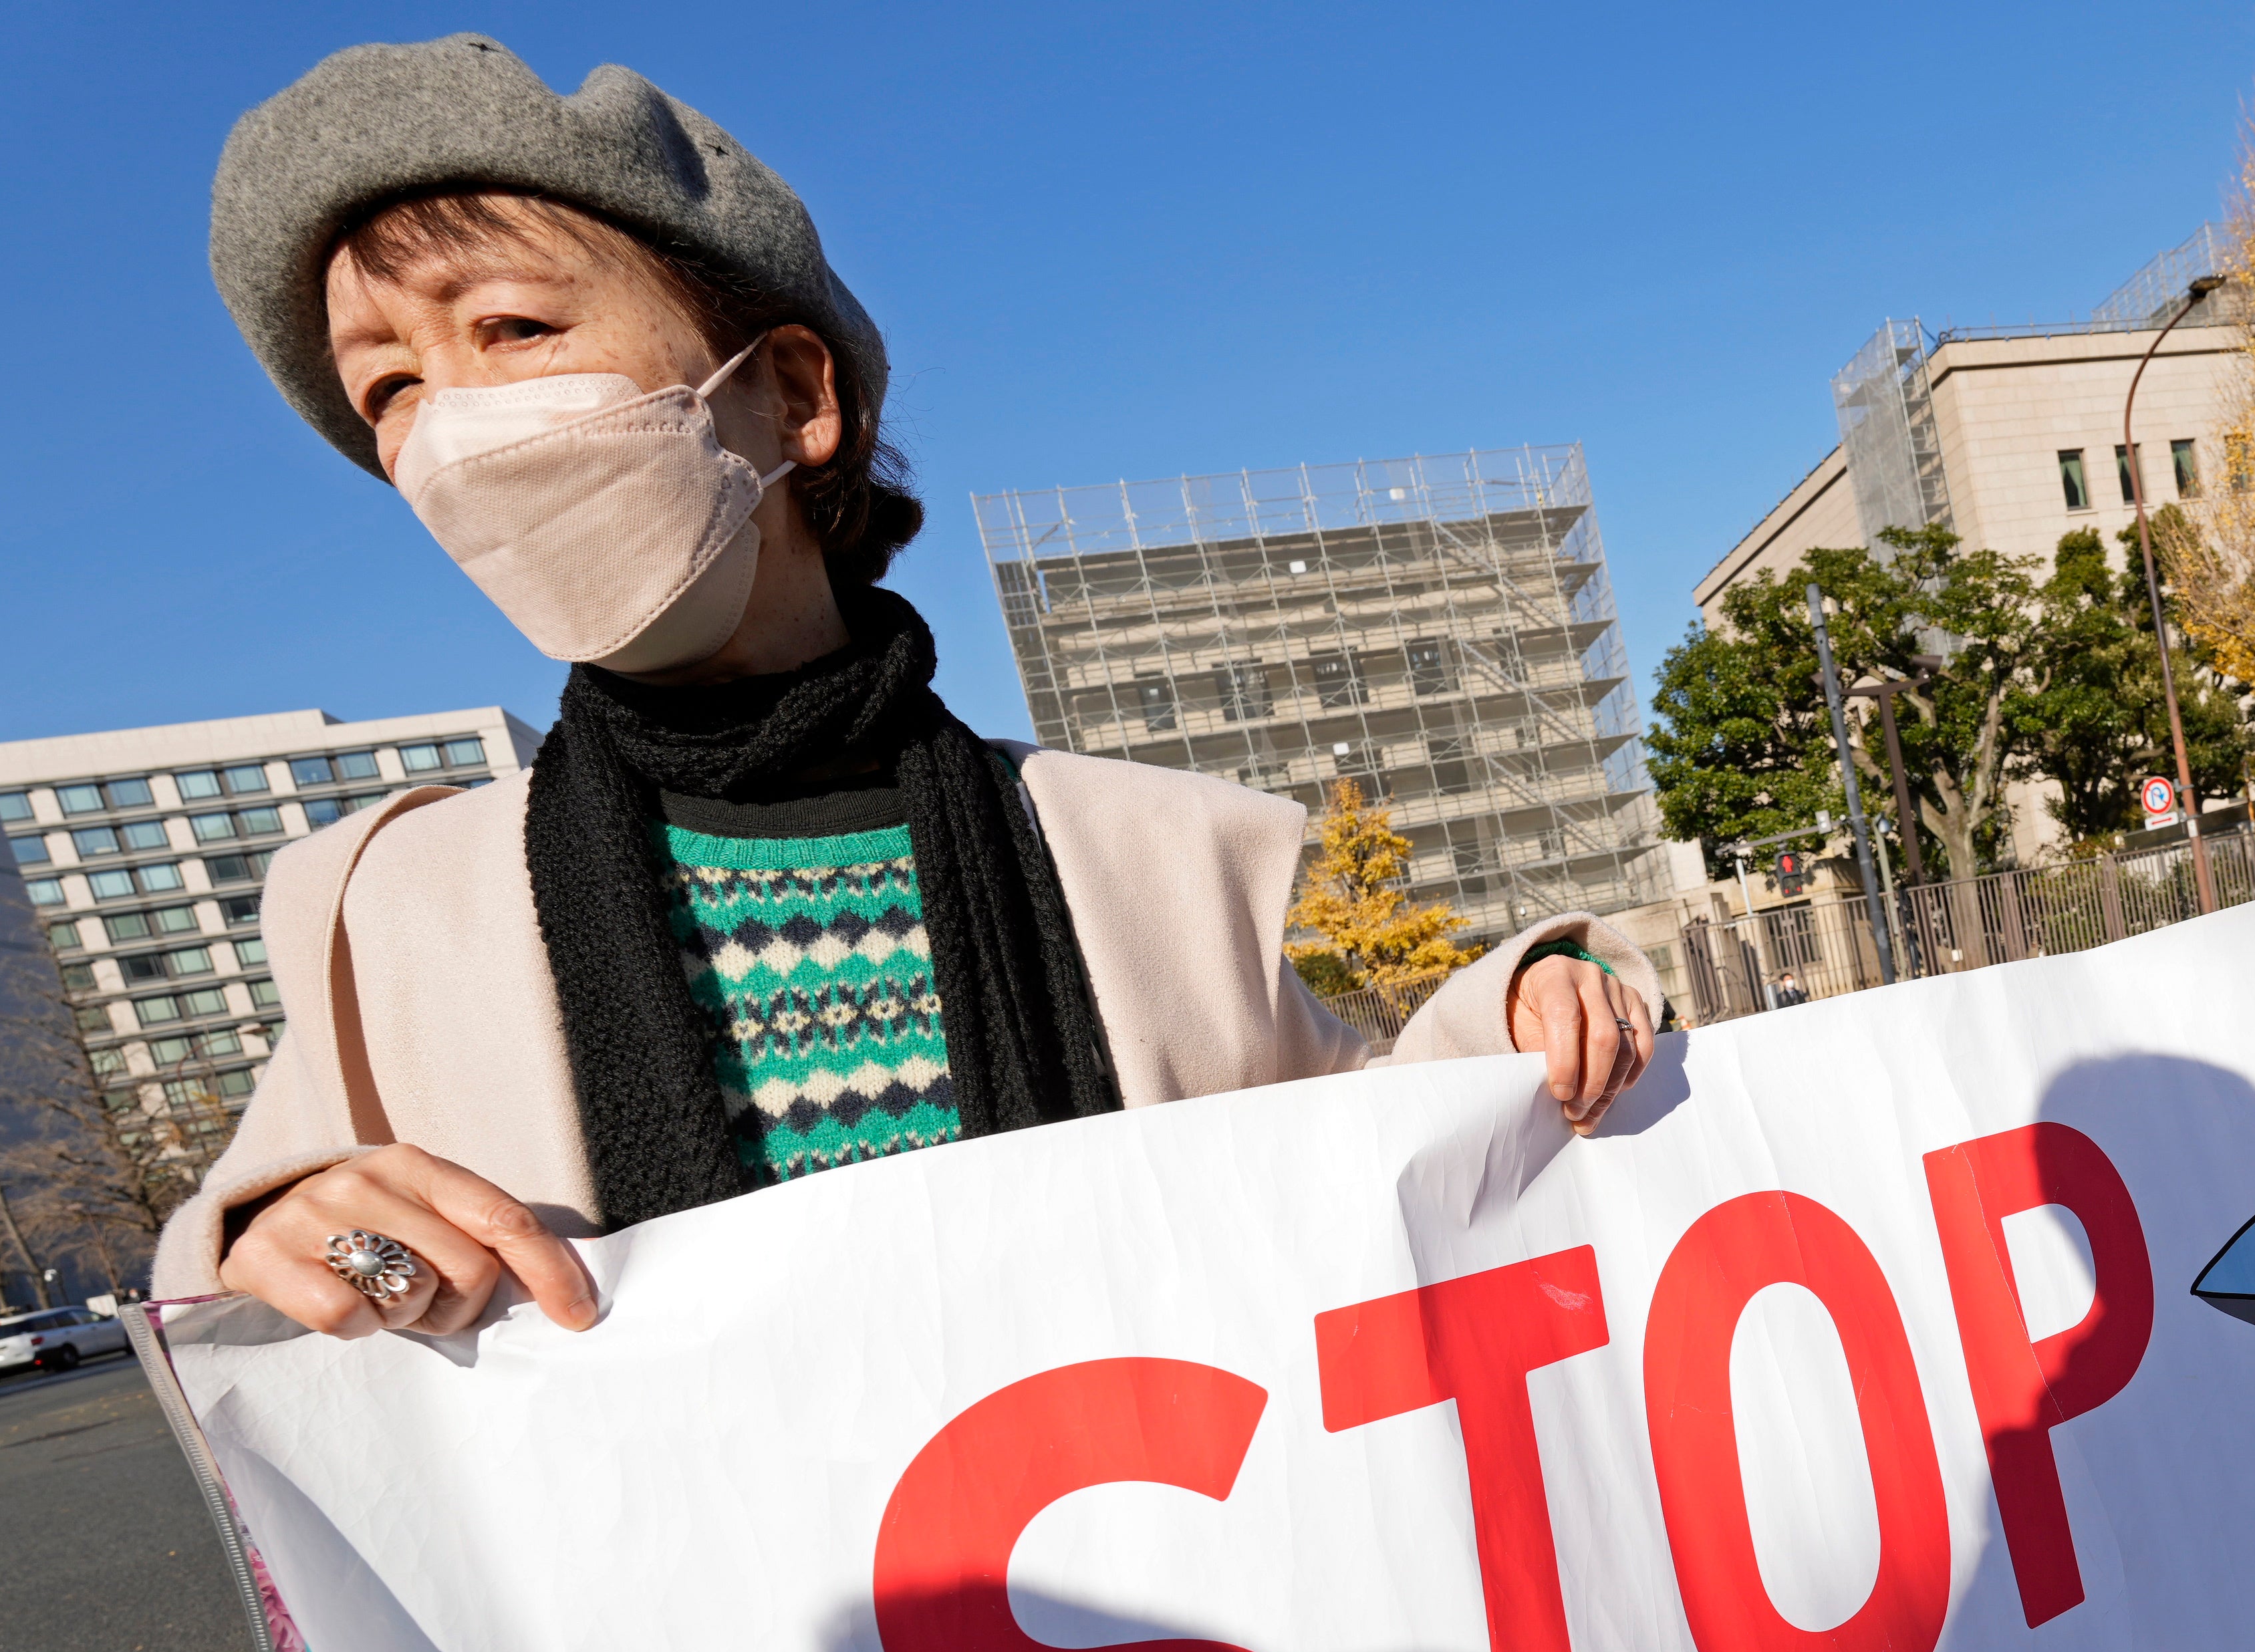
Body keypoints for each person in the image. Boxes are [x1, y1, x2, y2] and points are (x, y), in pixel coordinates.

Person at [166, 35, 1662, 1325]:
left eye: (513, 329)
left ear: (795, 395)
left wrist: (1537, 1003)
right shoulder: (390, 909)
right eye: (391, 389)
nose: (455, 426)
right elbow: (242, 1281)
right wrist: (287, 1237)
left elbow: (1381, 1156)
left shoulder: (1144, 850)